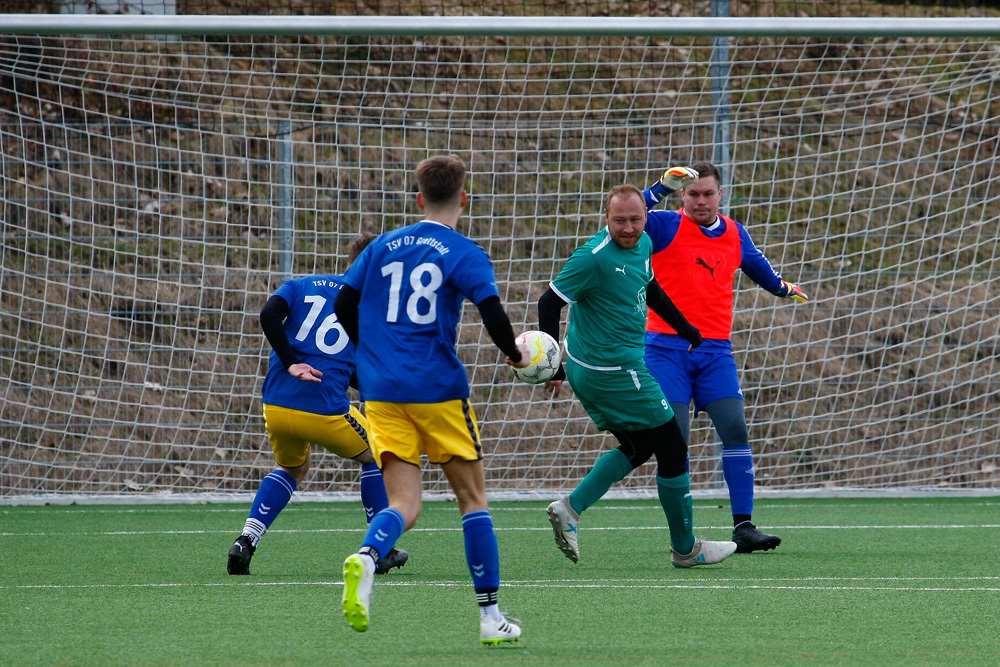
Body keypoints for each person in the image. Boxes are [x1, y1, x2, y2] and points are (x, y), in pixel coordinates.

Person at [333, 154, 532, 646]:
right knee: (472, 500)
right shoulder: (463, 252)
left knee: (404, 503)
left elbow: (343, 303)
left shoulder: (381, 246)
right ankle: (490, 617)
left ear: (418, 197)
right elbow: (492, 312)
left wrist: (369, 359)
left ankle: (367, 556)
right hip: (438, 390)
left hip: (381, 393)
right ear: (463, 197)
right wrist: (516, 355)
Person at [539, 183, 738, 569]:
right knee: (672, 446)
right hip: (614, 371)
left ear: (646, 218)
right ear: (605, 220)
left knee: (638, 446)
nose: (628, 228)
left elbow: (649, 287)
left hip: (606, 368)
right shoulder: (593, 257)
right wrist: (552, 366)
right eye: (619, 221)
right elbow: (550, 301)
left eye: (634, 220)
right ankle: (686, 549)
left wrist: (687, 330)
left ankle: (570, 508)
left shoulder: (644, 243)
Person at [641, 162, 809, 553]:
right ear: (682, 196)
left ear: (721, 195)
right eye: (693, 193)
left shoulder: (734, 232)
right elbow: (625, 222)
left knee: (735, 429)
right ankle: (683, 535)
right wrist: (657, 189)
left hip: (715, 352)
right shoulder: (663, 225)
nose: (700, 200)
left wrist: (783, 288)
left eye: (708, 193)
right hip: (665, 349)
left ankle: (744, 527)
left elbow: (759, 268)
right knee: (674, 440)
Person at [227, 232, 408, 577]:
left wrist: (291, 361)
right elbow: (363, 374)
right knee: (378, 454)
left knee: (294, 469)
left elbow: (268, 315)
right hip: (324, 409)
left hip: (276, 407)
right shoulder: (368, 310)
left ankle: (246, 541)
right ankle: (379, 549)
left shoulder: (300, 284)